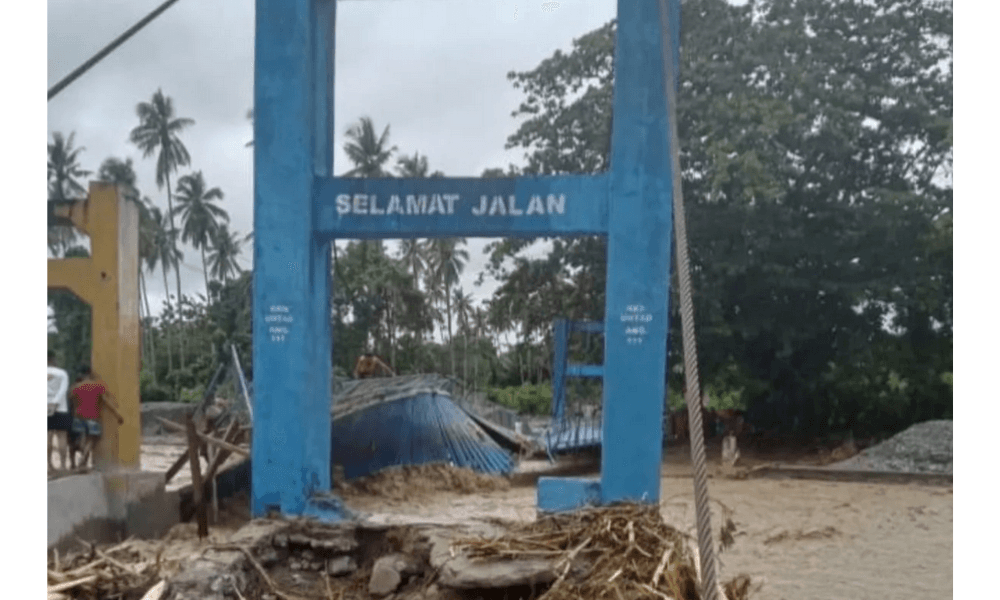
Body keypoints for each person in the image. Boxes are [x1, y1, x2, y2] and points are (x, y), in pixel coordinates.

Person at [69, 365, 124, 469]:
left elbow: (71, 399)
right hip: (93, 417)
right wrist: (117, 415)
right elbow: (106, 402)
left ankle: (82, 460)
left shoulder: (76, 387)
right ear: (90, 374)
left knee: (82, 437)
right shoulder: (98, 386)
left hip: (78, 417)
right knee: (91, 439)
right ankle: (83, 459)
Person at [47, 351, 72, 471]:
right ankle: (62, 465)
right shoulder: (62, 373)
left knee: (47, 436)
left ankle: (48, 465)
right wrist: (55, 402)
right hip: (61, 408)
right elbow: (63, 390)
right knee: (62, 436)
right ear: (52, 360)